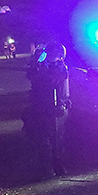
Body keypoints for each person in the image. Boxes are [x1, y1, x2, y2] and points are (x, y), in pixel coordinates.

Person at [23, 42, 70, 178]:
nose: (52, 56)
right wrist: (38, 62)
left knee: (57, 139)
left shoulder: (61, 68)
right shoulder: (39, 67)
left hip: (57, 107)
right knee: (42, 138)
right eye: (50, 54)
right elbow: (31, 76)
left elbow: (57, 80)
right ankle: (46, 167)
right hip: (41, 107)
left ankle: (58, 165)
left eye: (55, 54)